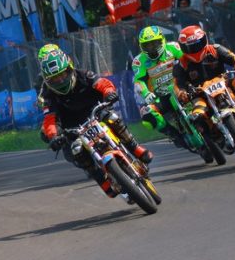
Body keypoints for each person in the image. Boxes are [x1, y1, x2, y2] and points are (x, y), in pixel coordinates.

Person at [39, 48, 152, 200]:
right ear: (47, 80)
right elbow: (49, 119)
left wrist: (109, 92)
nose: (60, 81)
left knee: (112, 118)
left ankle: (136, 148)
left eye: (62, 75)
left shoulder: (83, 74)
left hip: (96, 111)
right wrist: (54, 136)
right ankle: (102, 181)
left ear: (70, 69)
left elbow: (102, 83)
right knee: (76, 150)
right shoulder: (47, 94)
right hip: (71, 126)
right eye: (55, 79)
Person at [172, 26, 235, 136]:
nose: (196, 48)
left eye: (199, 44)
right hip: (200, 95)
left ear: (205, 39)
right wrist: (181, 93)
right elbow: (177, 84)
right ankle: (215, 134)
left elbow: (233, 57)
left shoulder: (215, 49)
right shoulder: (181, 64)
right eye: (191, 47)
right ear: (183, 48)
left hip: (225, 83)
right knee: (197, 117)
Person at [132, 26, 186, 146]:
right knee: (146, 114)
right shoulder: (138, 61)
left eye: (154, 43)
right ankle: (172, 133)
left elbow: (187, 60)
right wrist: (146, 93)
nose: (151, 48)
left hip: (181, 87)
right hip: (160, 96)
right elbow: (139, 81)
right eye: (147, 45)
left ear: (162, 40)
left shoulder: (174, 47)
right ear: (141, 46)